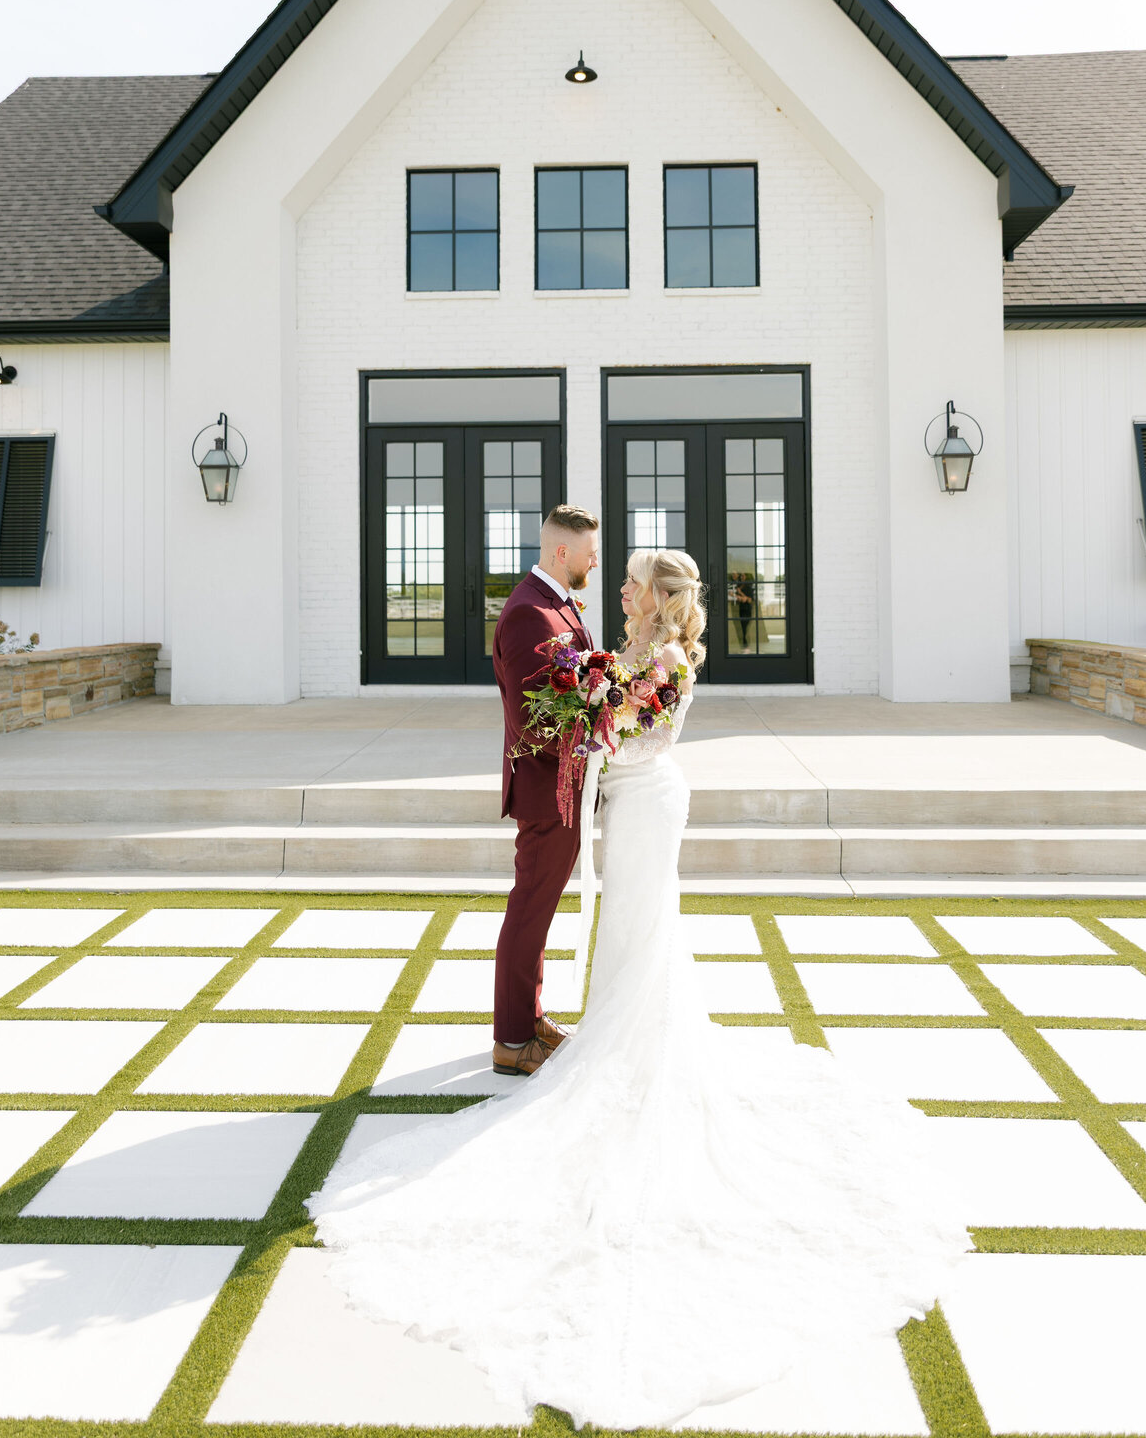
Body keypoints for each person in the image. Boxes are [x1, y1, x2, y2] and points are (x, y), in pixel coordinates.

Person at [309, 548, 970, 1430]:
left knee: (641, 930)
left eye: (629, 581)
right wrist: (586, 708)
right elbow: (603, 712)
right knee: (627, 933)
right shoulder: (629, 646)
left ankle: (638, 1053)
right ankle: (610, 1032)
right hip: (627, 802)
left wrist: (592, 708)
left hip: (649, 803)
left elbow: (632, 730)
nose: (616, 589)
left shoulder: (668, 659)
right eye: (615, 578)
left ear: (659, 598)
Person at [489, 503, 598, 1078]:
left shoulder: (553, 603)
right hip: (544, 790)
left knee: (538, 909)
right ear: (562, 553)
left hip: (562, 787)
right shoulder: (530, 612)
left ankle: (527, 1019)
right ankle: (510, 1039)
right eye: (588, 553)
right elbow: (538, 721)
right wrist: (597, 732)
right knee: (530, 910)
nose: (595, 562)